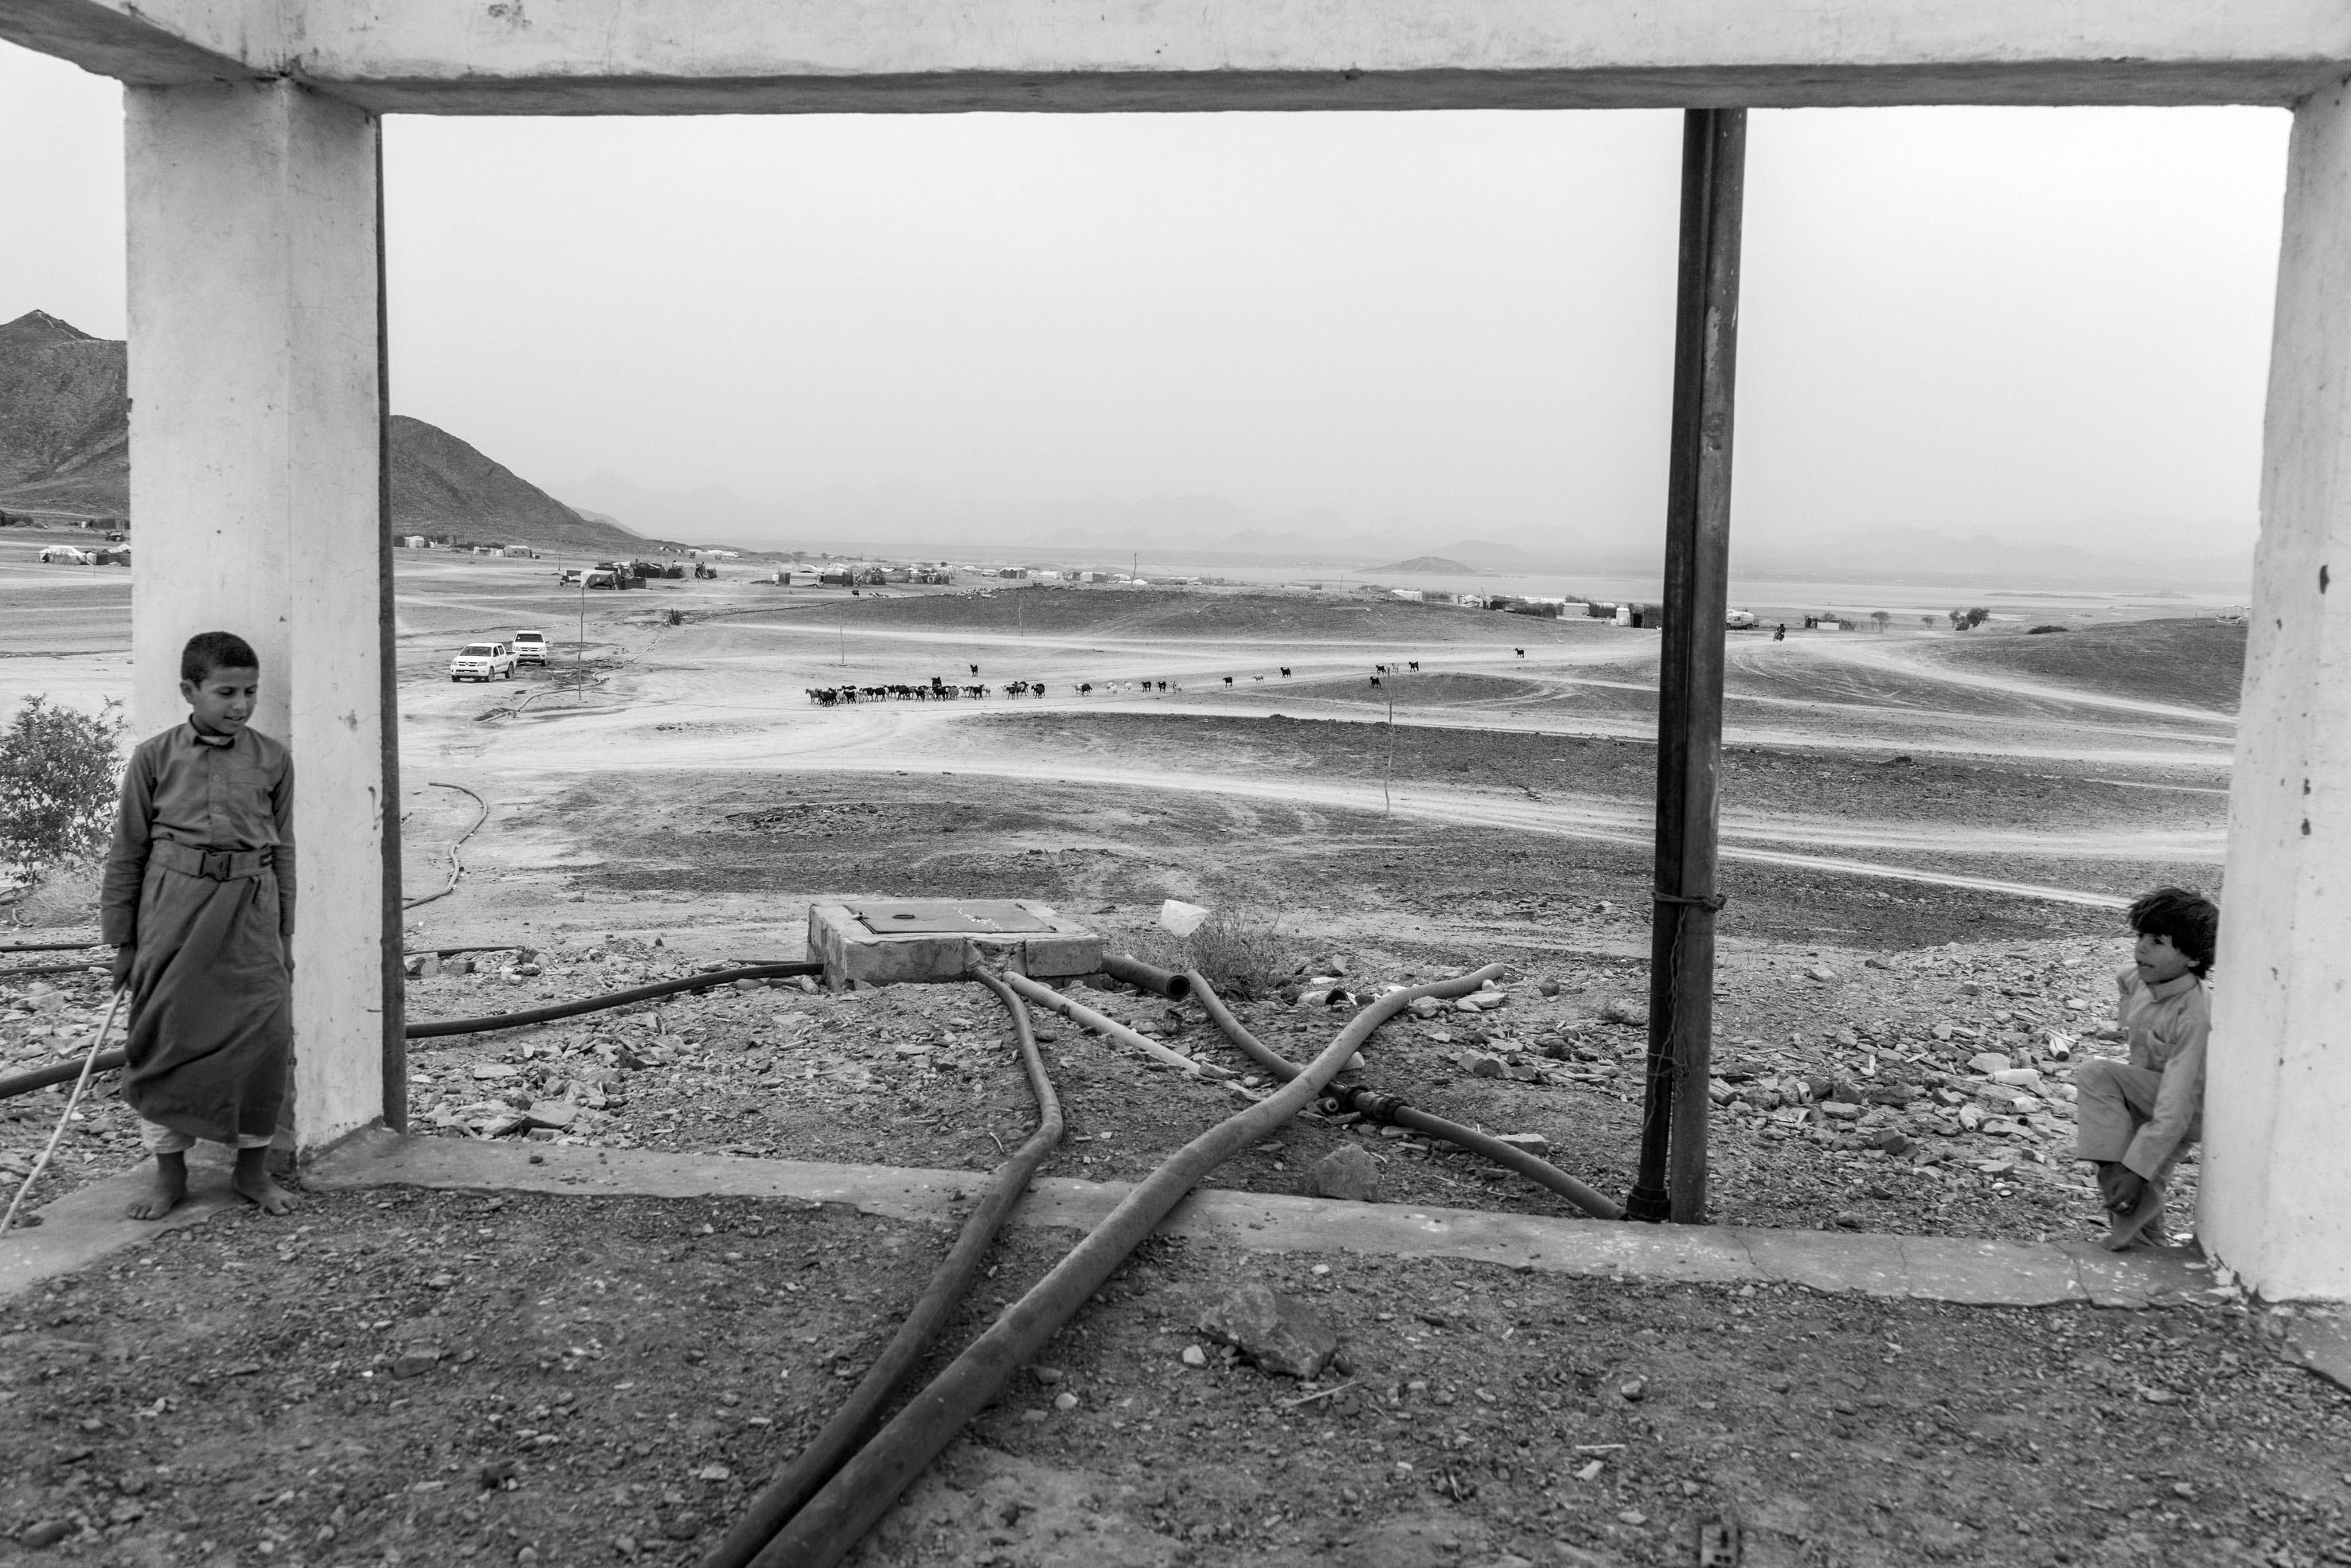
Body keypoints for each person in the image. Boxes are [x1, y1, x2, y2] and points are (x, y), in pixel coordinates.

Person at [100, 630, 297, 1219]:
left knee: (264, 1040)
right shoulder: (153, 757)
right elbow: (127, 851)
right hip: (174, 911)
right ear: (189, 690)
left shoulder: (274, 759)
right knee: (165, 1039)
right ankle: (171, 1178)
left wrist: (284, 937)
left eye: (251, 692)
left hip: (251, 913)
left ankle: (251, 1174)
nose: (241, 705)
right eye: (226, 692)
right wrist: (124, 943)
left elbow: (283, 850)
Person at [2073, 887, 2218, 1250]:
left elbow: (2178, 1100)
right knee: (2134, 1175)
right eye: (2141, 937)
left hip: (2185, 1108)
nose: (2141, 949)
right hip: (2143, 1091)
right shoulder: (2140, 978)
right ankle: (2148, 1245)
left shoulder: (2195, 1015)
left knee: (2096, 1076)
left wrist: (2133, 1170)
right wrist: (2125, 1019)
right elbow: (2124, 979)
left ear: (2193, 958)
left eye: (2157, 942)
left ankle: (2120, 1187)